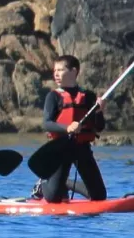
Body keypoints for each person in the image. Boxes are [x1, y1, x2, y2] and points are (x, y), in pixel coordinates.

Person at [33, 55, 108, 202]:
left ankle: (66, 184)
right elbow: (47, 124)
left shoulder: (88, 96)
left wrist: (99, 112)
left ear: (74, 72)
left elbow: (99, 127)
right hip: (61, 148)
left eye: (60, 70)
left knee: (99, 196)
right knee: (53, 198)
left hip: (82, 148)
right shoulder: (53, 96)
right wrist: (68, 128)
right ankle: (43, 184)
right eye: (55, 70)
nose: (56, 74)